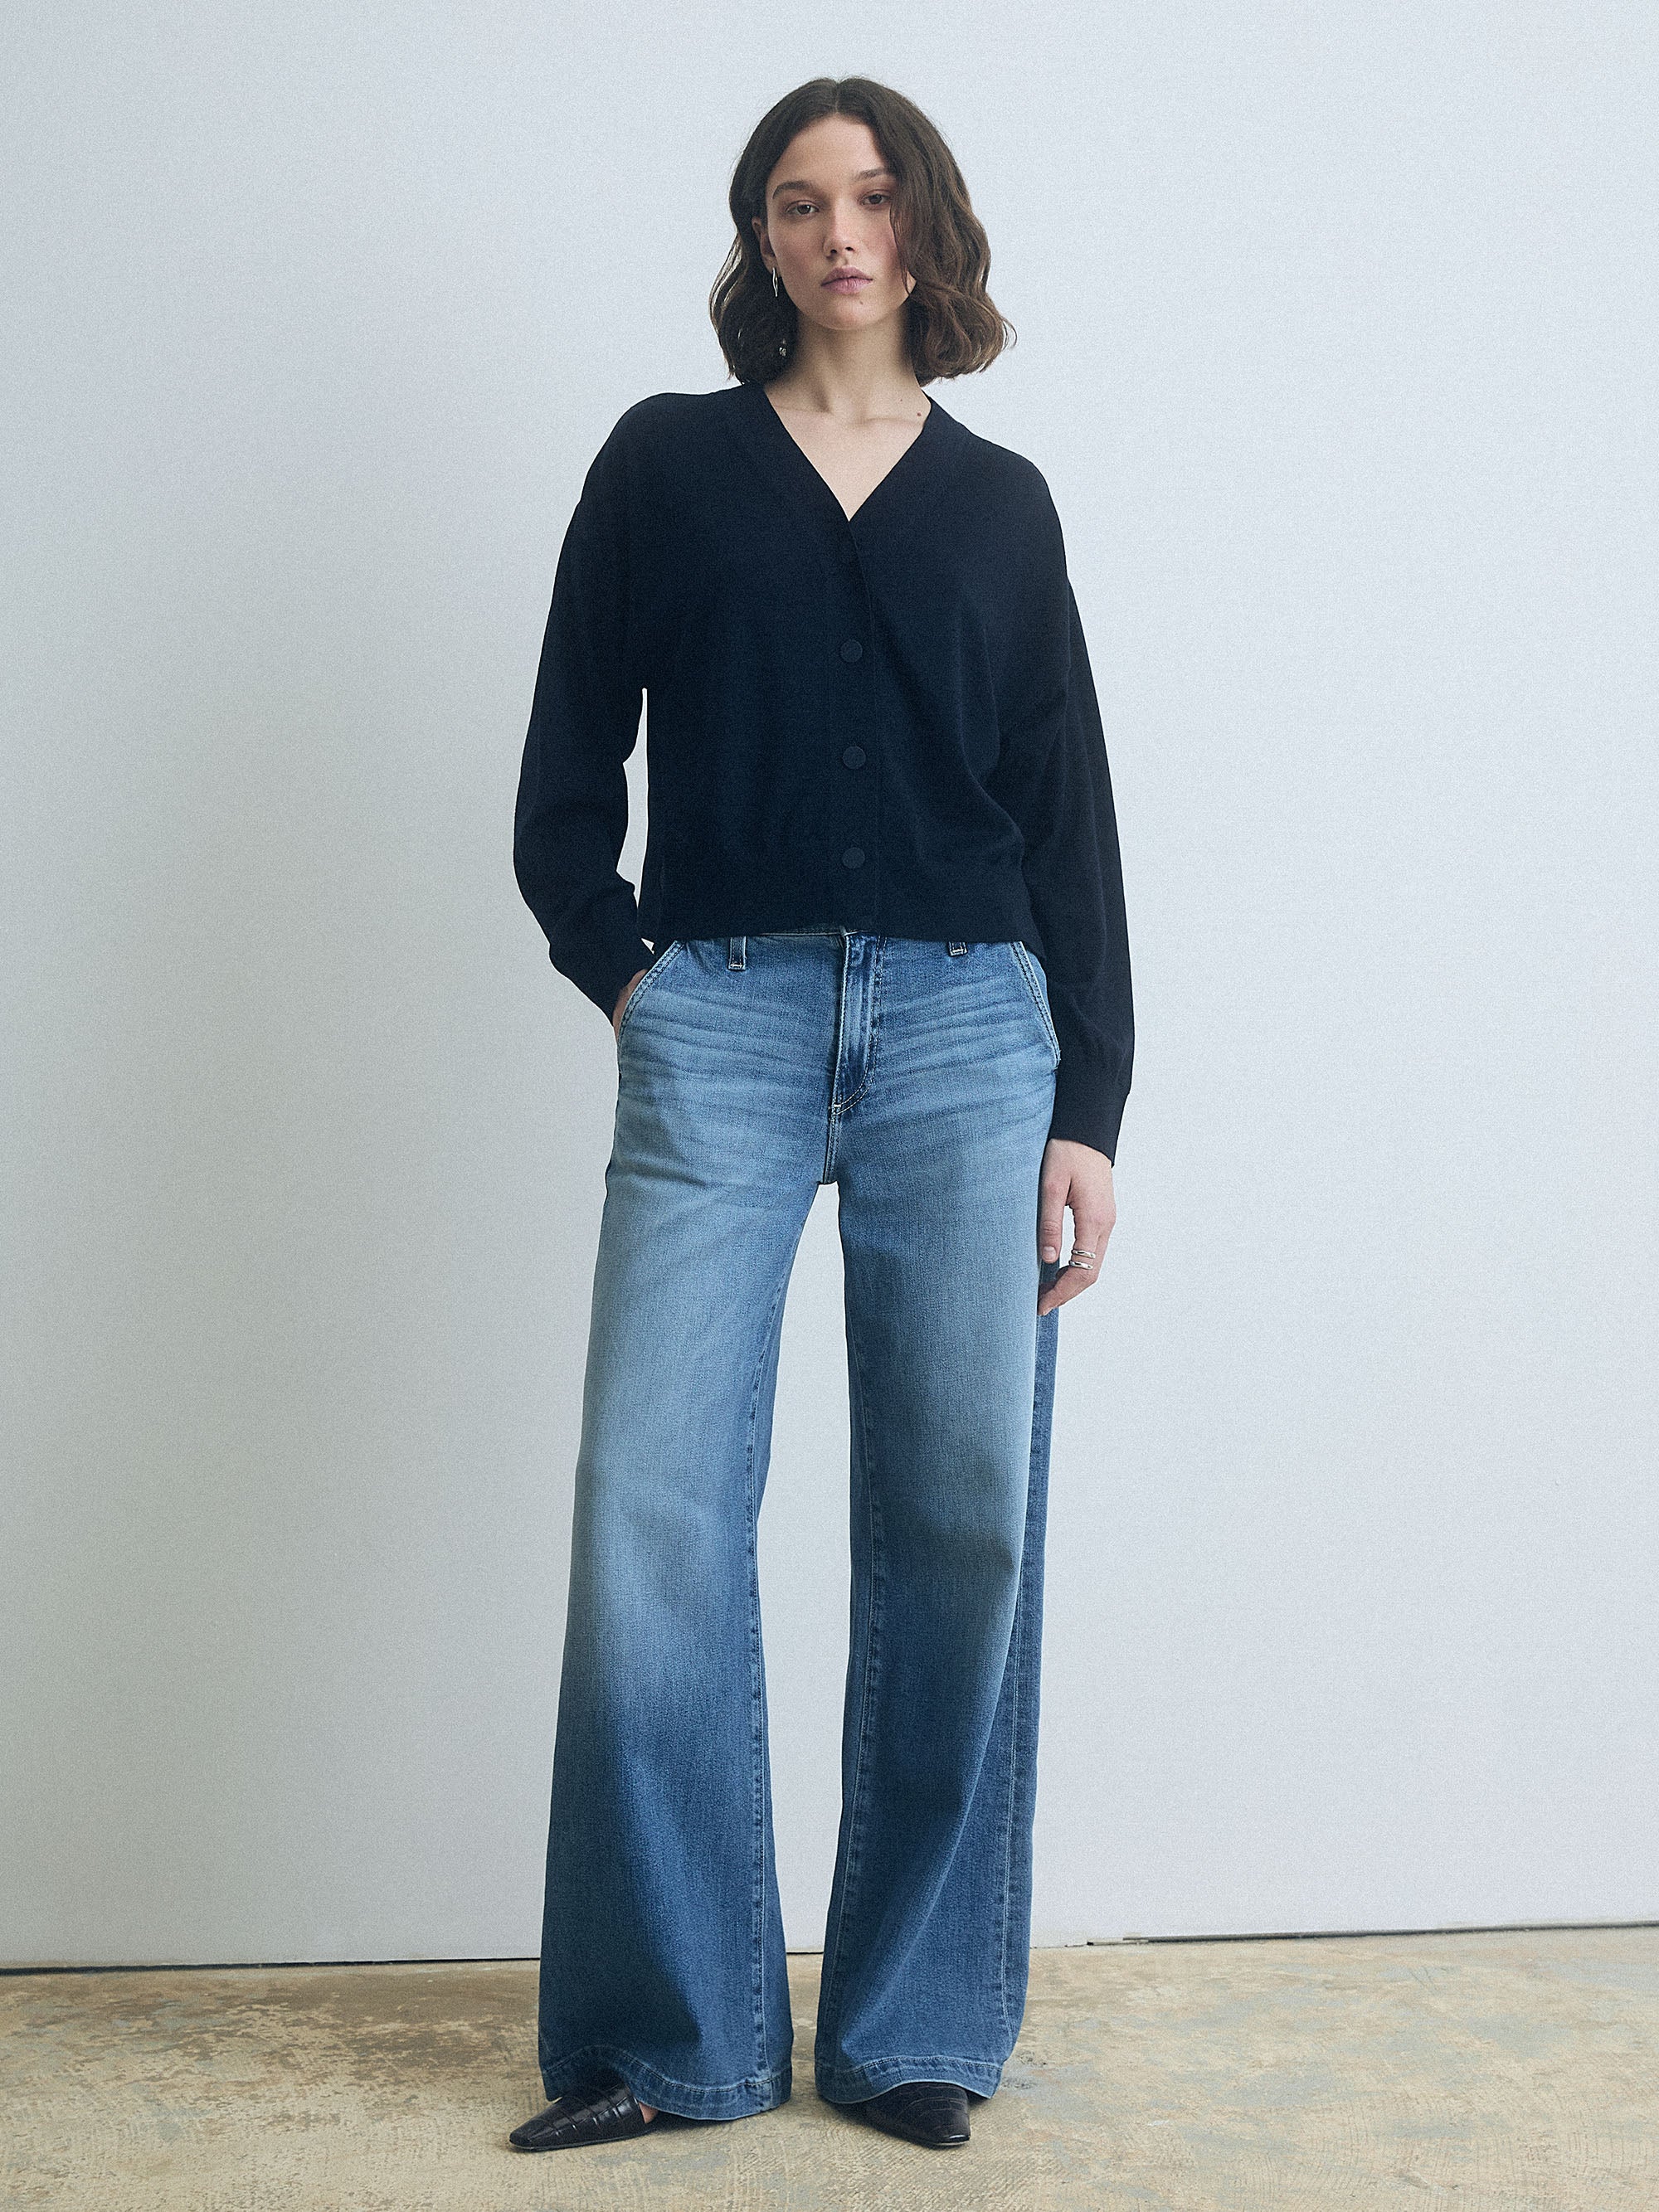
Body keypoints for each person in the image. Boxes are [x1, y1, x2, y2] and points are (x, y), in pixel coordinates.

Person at [506, 75, 1132, 2157]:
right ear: (756, 238)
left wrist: (1091, 1101)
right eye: (795, 200)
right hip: (729, 1017)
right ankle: (661, 2034)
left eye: (868, 195)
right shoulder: (668, 469)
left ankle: (913, 2024)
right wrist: (634, 973)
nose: (835, 230)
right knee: (650, 1501)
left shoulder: (1002, 504)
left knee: (961, 1515)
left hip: (976, 1033)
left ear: (921, 225)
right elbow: (560, 777)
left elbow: (1070, 830)